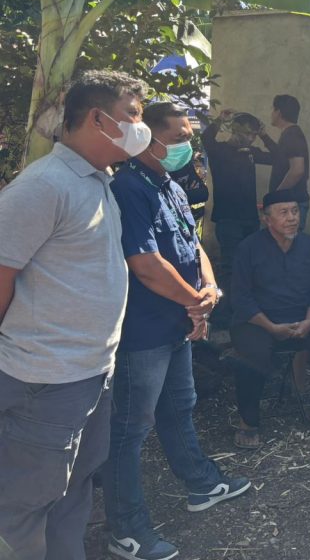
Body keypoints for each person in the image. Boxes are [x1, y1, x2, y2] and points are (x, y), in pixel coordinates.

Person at [0, 70, 147, 560]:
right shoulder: (44, 186)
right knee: (26, 502)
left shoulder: (98, 181)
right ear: (97, 119)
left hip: (90, 372)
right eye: (132, 115)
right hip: (46, 378)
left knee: (74, 489)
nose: (139, 127)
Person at [105, 101, 250, 560]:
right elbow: (146, 264)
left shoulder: (169, 185)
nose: (188, 146)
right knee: (130, 430)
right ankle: (126, 529)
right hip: (144, 330)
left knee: (179, 407)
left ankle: (201, 483)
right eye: (179, 138)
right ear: (148, 138)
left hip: (178, 323)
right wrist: (195, 302)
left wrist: (208, 290)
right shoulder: (128, 188)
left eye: (190, 137)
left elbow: (193, 242)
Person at [230, 190, 310, 448]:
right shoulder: (249, 248)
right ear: (267, 219)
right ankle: (248, 422)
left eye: (295, 211)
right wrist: (271, 327)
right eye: (284, 213)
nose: (292, 218)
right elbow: (240, 297)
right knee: (250, 355)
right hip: (258, 322)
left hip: (301, 320)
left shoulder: (308, 245)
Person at [201, 109, 274, 322]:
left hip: (250, 218)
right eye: (247, 133)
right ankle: (224, 315)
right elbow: (206, 139)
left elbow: (278, 157)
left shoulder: (251, 152)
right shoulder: (219, 150)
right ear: (235, 130)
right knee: (229, 267)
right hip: (228, 218)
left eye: (254, 134)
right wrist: (219, 120)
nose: (250, 138)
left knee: (250, 266)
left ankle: (245, 311)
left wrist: (264, 135)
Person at [266, 94, 310, 230]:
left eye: (273, 109)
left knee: (289, 241)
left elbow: (297, 170)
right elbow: (279, 156)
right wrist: (263, 136)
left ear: (279, 112)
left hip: (290, 204)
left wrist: (277, 195)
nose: (271, 113)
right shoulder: (290, 134)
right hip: (291, 202)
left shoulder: (292, 135)